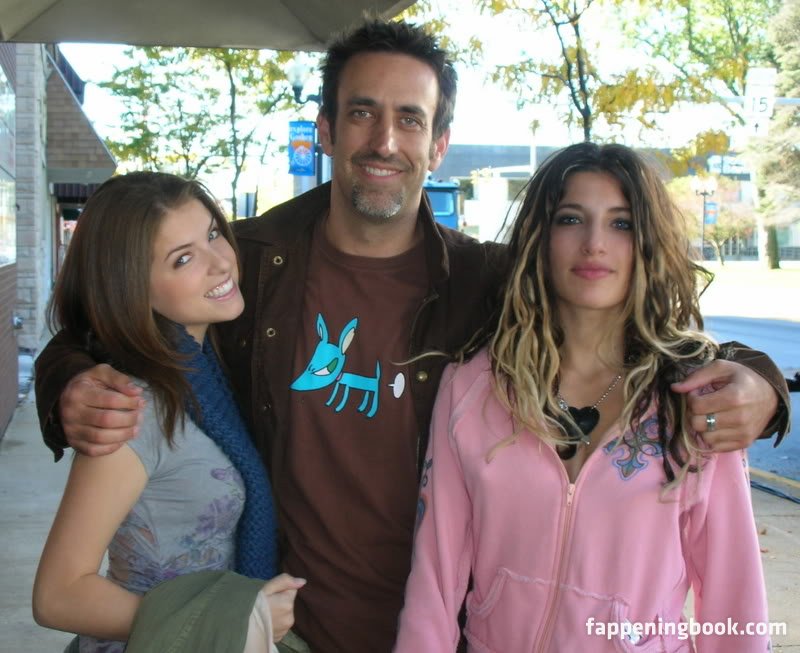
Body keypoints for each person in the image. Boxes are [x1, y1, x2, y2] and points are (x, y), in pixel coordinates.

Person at [35, 21, 789, 653]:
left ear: (438, 143)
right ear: (326, 129)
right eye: (362, 113)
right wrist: (66, 379)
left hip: (441, 629)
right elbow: (118, 316)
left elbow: (635, 320)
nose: (384, 140)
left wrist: (761, 381)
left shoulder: (486, 281)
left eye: (410, 119)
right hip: (285, 628)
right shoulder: (251, 262)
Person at [394, 143, 770, 652]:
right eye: (571, 219)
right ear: (540, 237)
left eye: (621, 224)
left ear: (647, 243)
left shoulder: (696, 402)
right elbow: (434, 581)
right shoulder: (472, 386)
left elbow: (734, 597)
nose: (594, 243)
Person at [31, 172, 304, 652]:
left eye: (213, 234)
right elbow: (57, 596)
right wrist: (228, 621)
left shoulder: (210, 369)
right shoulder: (134, 408)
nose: (220, 262)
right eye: (183, 258)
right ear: (130, 288)